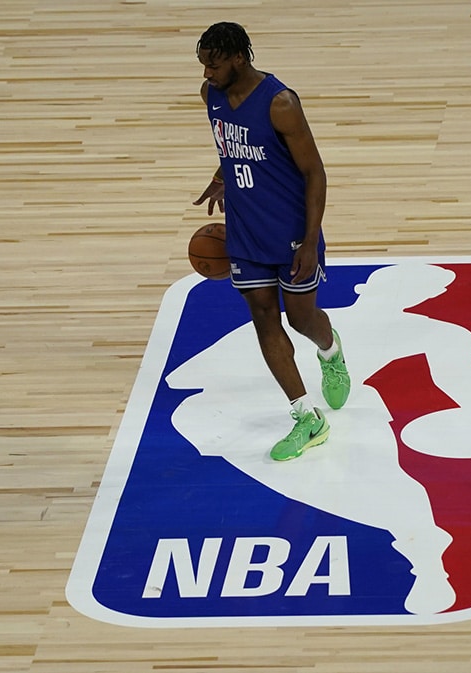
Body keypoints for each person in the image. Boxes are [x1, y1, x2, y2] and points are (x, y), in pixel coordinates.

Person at [191, 22, 349, 461]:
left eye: (215, 64)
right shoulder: (212, 97)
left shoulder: (280, 103)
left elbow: (314, 171)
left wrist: (311, 241)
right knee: (263, 317)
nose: (207, 73)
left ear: (239, 58)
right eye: (203, 64)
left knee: (301, 318)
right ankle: (307, 417)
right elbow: (232, 144)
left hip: (292, 232)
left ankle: (331, 350)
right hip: (244, 231)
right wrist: (224, 175)